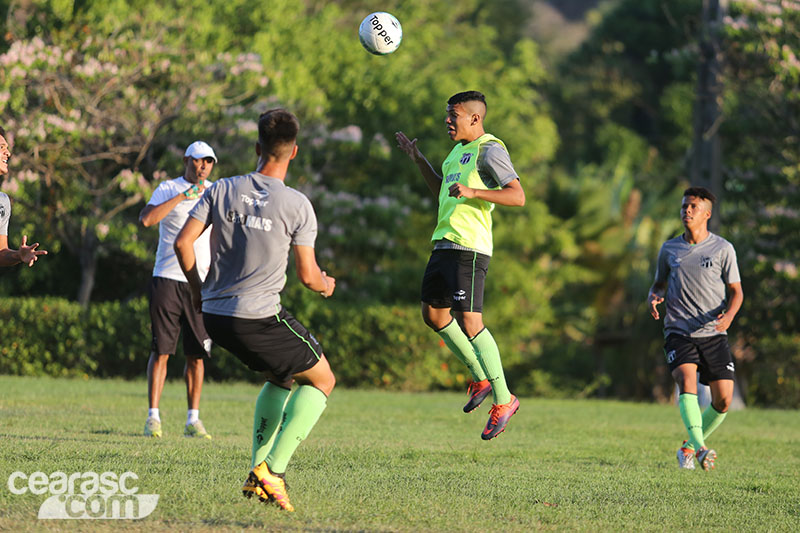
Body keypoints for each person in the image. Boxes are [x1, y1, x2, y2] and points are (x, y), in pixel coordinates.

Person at [174, 109, 336, 512]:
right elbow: (308, 276)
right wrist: (326, 284)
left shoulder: (221, 189)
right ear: (294, 152)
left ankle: (255, 475)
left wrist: (198, 292)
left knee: (281, 376)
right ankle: (273, 470)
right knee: (323, 380)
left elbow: (183, 244)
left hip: (215, 315)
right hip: (259, 316)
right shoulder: (297, 204)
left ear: (257, 147)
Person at [395, 91, 526, 440]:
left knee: (471, 321)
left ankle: (504, 398)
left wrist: (474, 193)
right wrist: (418, 158)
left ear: (474, 118)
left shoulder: (489, 149)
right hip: (444, 243)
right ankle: (480, 377)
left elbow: (517, 195)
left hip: (470, 247)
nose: (447, 121)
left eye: (453, 115)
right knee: (433, 315)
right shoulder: (456, 152)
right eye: (447, 115)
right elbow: (443, 189)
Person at [648, 186, 744, 471]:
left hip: (714, 333)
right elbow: (658, 284)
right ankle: (701, 449)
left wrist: (728, 317)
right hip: (679, 331)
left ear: (707, 214)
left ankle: (688, 447)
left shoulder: (723, 249)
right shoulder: (669, 249)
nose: (686, 211)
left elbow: (737, 292)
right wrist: (654, 296)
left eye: (692, 207)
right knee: (686, 381)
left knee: (723, 401)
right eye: (683, 207)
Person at [139, 141, 218, 439]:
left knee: (198, 353)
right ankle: (153, 418)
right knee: (162, 351)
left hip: (201, 282)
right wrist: (185, 196)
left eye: (208, 162)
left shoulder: (214, 191)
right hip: (167, 278)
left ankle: (193, 420)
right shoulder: (168, 188)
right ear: (187, 159)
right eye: (199, 161)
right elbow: (147, 219)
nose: (203, 167)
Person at [0, 126, 47, 267]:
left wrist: (18, 255)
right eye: (1, 147)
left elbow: (1, 252)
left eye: (7, 148)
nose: (7, 153)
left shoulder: (3, 201)